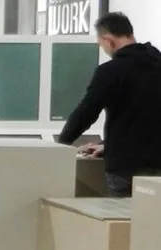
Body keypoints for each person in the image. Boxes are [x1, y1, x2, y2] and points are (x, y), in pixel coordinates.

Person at [58, 12, 161, 197]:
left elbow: (86, 112)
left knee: (123, 222)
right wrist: (108, 144)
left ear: (108, 40)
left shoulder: (111, 71)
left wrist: (60, 145)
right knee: (154, 223)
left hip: (125, 169)